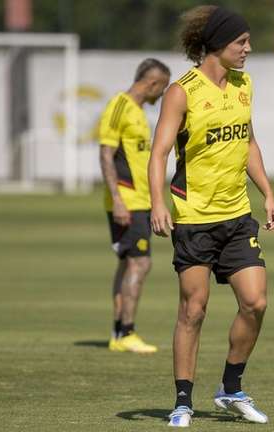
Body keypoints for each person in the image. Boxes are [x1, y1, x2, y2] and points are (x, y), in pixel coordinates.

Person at [147, 6, 274, 427]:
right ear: (219, 44)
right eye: (241, 42)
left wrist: (268, 193)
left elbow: (250, 143)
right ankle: (183, 401)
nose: (248, 49)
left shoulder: (244, 85)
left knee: (255, 302)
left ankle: (230, 387)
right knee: (194, 309)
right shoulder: (181, 91)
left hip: (237, 214)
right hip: (194, 218)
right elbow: (159, 153)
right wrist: (157, 202)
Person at [99, 58, 170, 353]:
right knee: (141, 262)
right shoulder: (120, 105)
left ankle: (119, 334)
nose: (162, 95)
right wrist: (117, 201)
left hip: (141, 200)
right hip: (128, 201)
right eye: (162, 88)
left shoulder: (139, 113)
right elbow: (106, 154)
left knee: (129, 263)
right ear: (152, 83)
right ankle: (127, 332)